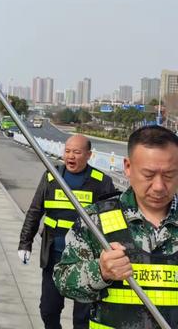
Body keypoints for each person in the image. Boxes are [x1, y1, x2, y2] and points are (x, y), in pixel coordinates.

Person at [54, 126, 178, 329]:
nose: (158, 186)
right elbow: (63, 281)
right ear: (128, 167)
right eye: (148, 174)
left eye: (169, 175)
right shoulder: (96, 219)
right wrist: (100, 271)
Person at [18, 134, 115, 329]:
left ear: (88, 155)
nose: (70, 156)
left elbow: (111, 219)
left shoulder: (101, 182)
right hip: (54, 256)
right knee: (48, 310)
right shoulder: (51, 177)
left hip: (88, 260)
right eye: (67, 151)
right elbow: (35, 211)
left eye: (77, 152)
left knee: (83, 318)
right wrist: (25, 242)